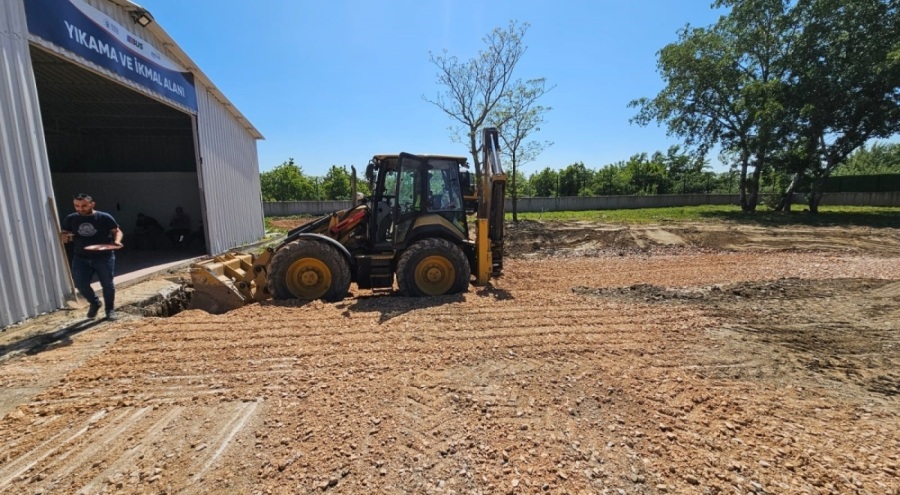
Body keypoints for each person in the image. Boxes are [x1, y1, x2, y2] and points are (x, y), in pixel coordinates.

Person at [60, 193, 123, 320]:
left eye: (84, 206)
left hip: (104, 256)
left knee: (107, 284)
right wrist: (64, 236)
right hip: (80, 257)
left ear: (92, 204)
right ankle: (94, 303)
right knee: (80, 284)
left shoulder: (104, 217)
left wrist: (117, 241)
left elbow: (117, 231)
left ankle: (110, 310)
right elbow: (65, 232)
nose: (80, 209)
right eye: (77, 206)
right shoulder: (71, 218)